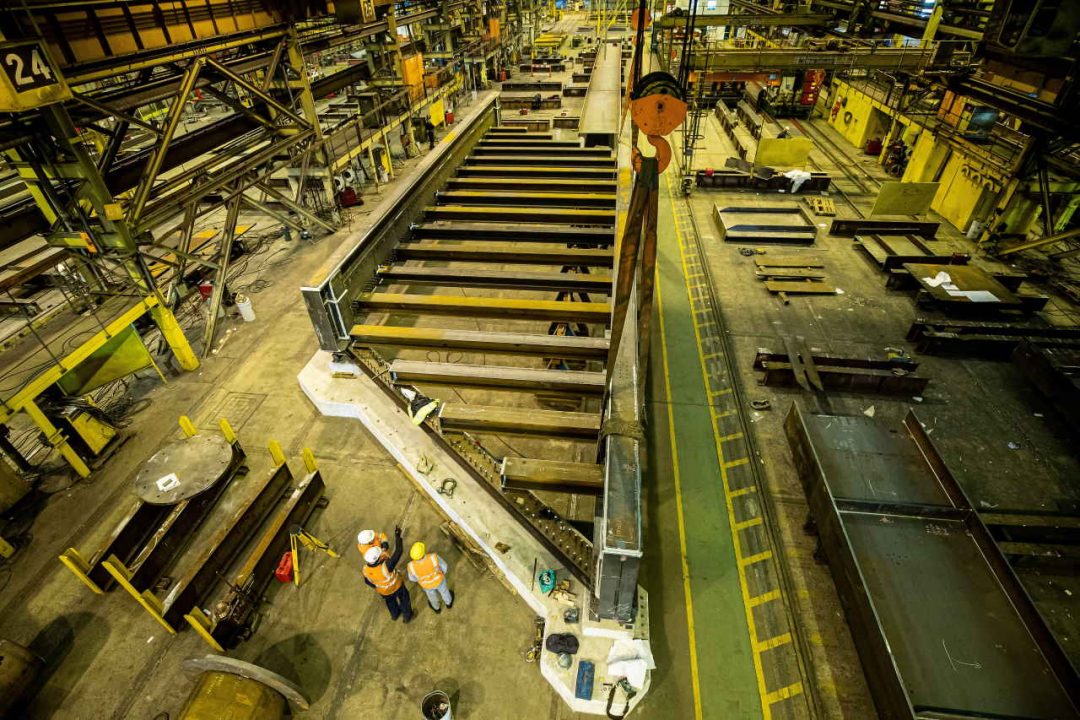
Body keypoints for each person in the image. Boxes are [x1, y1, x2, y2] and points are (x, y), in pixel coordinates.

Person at [362, 526, 413, 622]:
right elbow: (399, 551)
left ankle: (395, 614)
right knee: (404, 600)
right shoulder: (386, 566)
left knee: (390, 602)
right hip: (397, 586)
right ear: (378, 558)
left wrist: (378, 586)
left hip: (384, 592)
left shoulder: (365, 570)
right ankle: (407, 616)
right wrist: (398, 536)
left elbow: (367, 582)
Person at [406, 542, 453, 613]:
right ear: (423, 551)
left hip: (426, 585)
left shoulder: (411, 566)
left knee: (432, 597)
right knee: (444, 592)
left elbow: (412, 578)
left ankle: (437, 608)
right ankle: (448, 603)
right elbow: (444, 567)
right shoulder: (433, 557)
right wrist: (442, 573)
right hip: (439, 581)